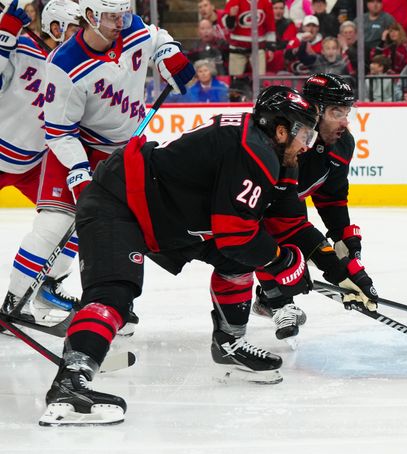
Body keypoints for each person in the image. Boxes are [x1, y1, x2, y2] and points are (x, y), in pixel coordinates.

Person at [38, 86, 320, 426]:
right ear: (280, 129)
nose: (307, 143)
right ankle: (71, 381)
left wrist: (282, 259)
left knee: (235, 261)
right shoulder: (257, 151)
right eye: (304, 132)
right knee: (114, 292)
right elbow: (236, 235)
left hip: (166, 215)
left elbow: (242, 233)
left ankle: (229, 343)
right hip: (120, 202)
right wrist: (280, 261)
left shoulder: (255, 141)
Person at [2, 0, 194, 334]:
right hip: (81, 147)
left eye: (124, 13)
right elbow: (59, 131)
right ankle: (13, 301)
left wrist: (168, 53)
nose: (121, 21)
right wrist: (78, 170)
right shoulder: (64, 64)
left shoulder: (132, 29)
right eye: (111, 16)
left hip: (126, 150)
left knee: (118, 229)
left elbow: (156, 34)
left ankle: (110, 303)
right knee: (55, 224)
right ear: (90, 16)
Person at [254, 74, 378, 342]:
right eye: (337, 112)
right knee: (277, 241)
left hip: (287, 202)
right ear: (315, 111)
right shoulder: (281, 139)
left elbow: (332, 196)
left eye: (347, 112)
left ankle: (268, 295)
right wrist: (332, 265)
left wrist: (343, 238)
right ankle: (277, 301)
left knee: (297, 242)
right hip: (251, 205)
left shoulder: (342, 143)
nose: (345, 122)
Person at [0, 0, 81, 331]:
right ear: (56, 27)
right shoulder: (21, 45)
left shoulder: (76, 63)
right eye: (74, 28)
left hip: (35, 161)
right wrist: (4, 38)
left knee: (77, 217)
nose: (81, 36)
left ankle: (41, 287)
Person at [222, 0, 276, 79]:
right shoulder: (233, 1)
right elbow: (228, 27)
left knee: (260, 79)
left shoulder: (266, 2)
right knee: (235, 79)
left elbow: (270, 25)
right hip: (237, 48)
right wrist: (231, 17)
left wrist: (271, 47)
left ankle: (259, 91)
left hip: (258, 47)